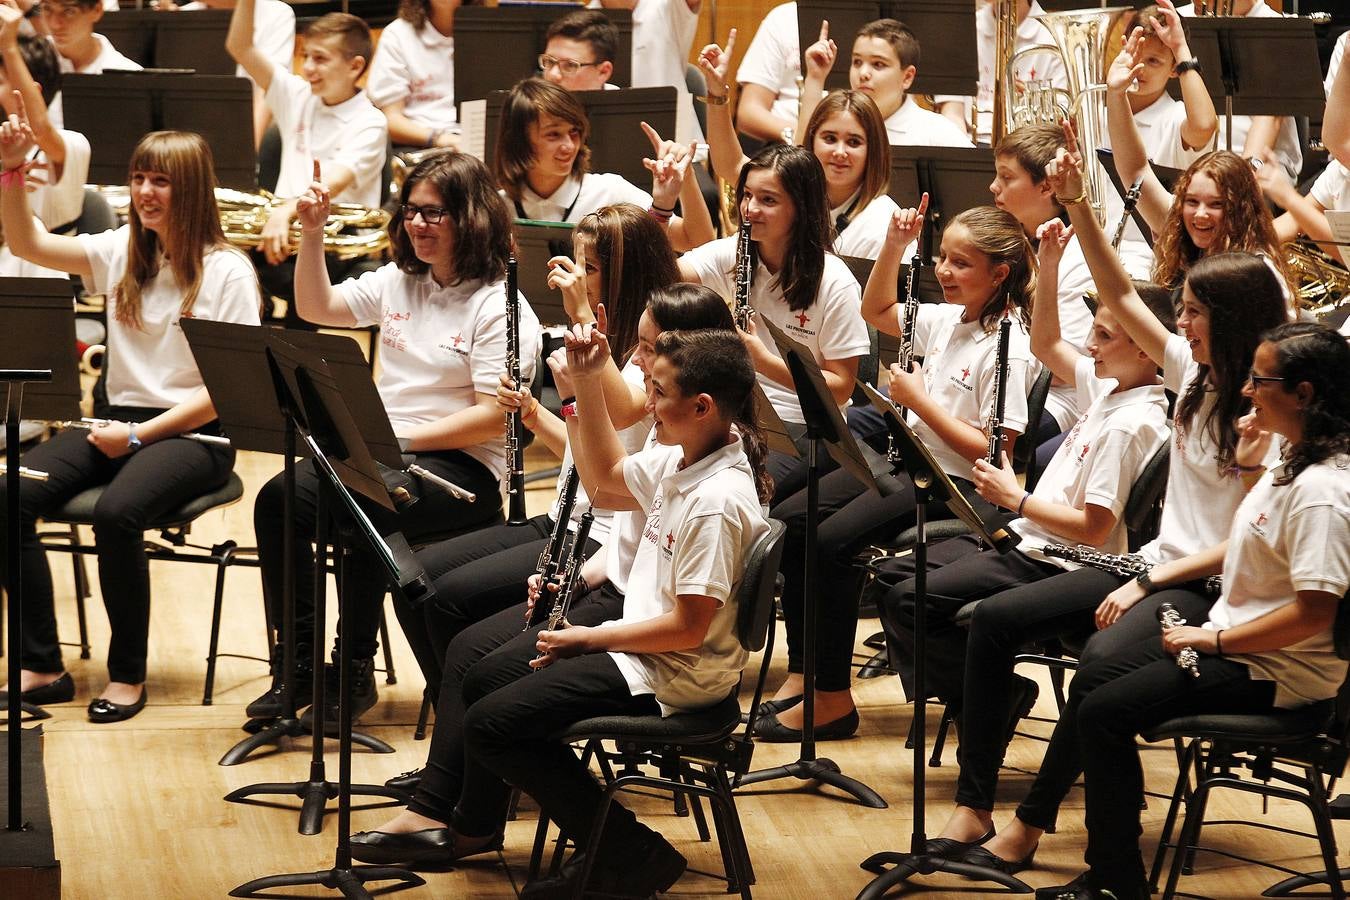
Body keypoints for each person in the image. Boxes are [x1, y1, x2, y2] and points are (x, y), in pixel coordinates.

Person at [930, 124, 1290, 879]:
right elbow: (1121, 292)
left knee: (1097, 670)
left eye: (1190, 312)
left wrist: (1148, 582)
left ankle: (1032, 826)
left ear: (1223, 321)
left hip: (1202, 581)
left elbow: (1246, 544)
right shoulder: (1192, 366)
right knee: (1003, 624)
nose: (1177, 323)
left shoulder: (1264, 418)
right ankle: (983, 805)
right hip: (1156, 565)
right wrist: (1080, 204)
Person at [350, 283, 736, 847]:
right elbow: (615, 503)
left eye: (649, 354)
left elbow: (688, 624)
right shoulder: (678, 450)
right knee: (468, 656)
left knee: (491, 707)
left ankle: (610, 849)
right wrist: (578, 578)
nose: (635, 367)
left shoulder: (712, 484)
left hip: (662, 657)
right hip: (629, 610)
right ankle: (457, 803)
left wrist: (587, 637)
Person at [880, 214, 1172, 864]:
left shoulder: (1137, 422)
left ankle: (975, 805)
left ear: (1151, 352)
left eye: (1104, 337)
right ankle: (975, 801)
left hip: (1084, 562)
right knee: (911, 584)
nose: (1089, 347)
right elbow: (1046, 344)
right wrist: (1045, 266)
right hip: (1036, 543)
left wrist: (1017, 498)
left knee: (991, 622)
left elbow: (1099, 530)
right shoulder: (1113, 384)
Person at [1036, 321, 1350, 900]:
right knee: (1099, 682)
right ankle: (1106, 866)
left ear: (1304, 394)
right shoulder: (1294, 461)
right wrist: (1254, 466)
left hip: (1278, 674)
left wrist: (1214, 641)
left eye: (1261, 380)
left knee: (1103, 712)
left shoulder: (1324, 492)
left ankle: (1117, 881)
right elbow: (1255, 539)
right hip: (1249, 649)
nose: (1248, 391)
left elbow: (1315, 615)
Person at [247, 152, 540, 728]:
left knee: (364, 504)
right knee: (277, 500)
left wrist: (396, 438)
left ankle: (352, 668)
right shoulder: (400, 281)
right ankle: (298, 665)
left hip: (461, 471)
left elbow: (493, 418)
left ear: (471, 217)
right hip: (382, 455)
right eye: (411, 211)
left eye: (435, 213)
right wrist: (312, 233)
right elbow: (315, 307)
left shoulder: (500, 306)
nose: (418, 225)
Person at [0, 120, 261, 723]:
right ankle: (42, 665)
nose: (145, 191)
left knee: (119, 513)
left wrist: (142, 435)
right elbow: (27, 244)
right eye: (139, 178)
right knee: (7, 489)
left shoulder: (229, 273)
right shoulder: (122, 249)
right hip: (116, 422)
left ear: (191, 190)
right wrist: (12, 173)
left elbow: (226, 392)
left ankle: (127, 676)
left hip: (198, 433)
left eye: (161, 181)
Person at [755, 202, 1040, 740]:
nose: (944, 272)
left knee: (833, 542)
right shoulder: (945, 318)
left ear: (999, 275)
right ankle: (806, 673)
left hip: (955, 482)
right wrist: (894, 245)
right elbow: (877, 305)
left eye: (961, 264)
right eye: (943, 258)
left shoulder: (1009, 347)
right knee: (793, 520)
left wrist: (919, 401)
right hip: (908, 459)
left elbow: (991, 447)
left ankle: (833, 699)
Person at [386, 202, 678, 697]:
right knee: (414, 579)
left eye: (591, 268)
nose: (579, 278)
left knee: (446, 597)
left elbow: (627, 411)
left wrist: (581, 316)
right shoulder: (609, 340)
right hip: (565, 516)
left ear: (626, 273)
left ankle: (467, 720)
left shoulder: (652, 350)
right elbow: (584, 455)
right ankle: (457, 718)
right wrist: (535, 413)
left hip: (601, 535)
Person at [678, 142, 871, 501]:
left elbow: (842, 387)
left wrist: (764, 362)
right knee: (669, 470)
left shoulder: (835, 282)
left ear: (801, 208)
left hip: (806, 428)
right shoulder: (736, 252)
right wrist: (663, 203)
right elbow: (667, 276)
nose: (750, 210)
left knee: (735, 492)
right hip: (738, 414)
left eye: (768, 200)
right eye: (747, 195)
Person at [227, 1, 388, 324]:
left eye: (320, 59)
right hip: (278, 237)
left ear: (355, 66)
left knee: (298, 286)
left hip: (334, 249)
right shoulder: (297, 94)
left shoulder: (371, 122)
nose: (307, 68)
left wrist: (285, 211)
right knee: (222, 264)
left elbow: (332, 183)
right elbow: (240, 46)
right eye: (306, 56)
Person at [698, 34, 899, 260]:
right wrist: (717, 94)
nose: (839, 152)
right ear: (813, 142)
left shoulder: (882, 221)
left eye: (854, 142)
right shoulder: (794, 187)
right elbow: (731, 164)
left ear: (873, 150)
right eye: (830, 138)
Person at [492, 77, 712, 252]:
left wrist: (687, 177)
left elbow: (695, 241)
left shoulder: (610, 192)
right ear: (519, 141)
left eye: (574, 132)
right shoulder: (497, 208)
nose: (569, 145)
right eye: (553, 135)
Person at [0, 5, 90, 278]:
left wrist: (10, 47)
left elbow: (38, 128)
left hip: (43, 278)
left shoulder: (72, 143)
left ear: (31, 89)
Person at [795, 18, 972, 148]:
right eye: (857, 62)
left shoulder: (937, 131)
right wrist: (815, 78)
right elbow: (802, 165)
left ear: (907, 77)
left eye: (878, 64)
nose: (863, 73)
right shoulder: (836, 120)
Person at [1175, 0, 1301, 181]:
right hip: (1189, 160)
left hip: (1259, 163)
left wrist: (1243, 174)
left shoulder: (1276, 26)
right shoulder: (1177, 20)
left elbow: (1270, 117)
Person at [934, 0, 1067, 146]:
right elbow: (952, 113)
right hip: (970, 143)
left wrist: (1027, 99)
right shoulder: (961, 31)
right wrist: (966, 153)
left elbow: (1059, 121)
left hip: (1031, 150)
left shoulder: (1054, 35)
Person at [172, 0, 295, 145]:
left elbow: (268, 87)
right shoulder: (182, 14)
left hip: (252, 131)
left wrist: (248, 152)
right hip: (192, 134)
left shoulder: (276, 13)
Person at [366, 0, 481, 152]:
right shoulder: (398, 35)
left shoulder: (488, 29)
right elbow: (391, 120)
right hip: (420, 144)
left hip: (476, 139)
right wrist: (439, 139)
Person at [40, 0, 141, 128]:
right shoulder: (23, 61)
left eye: (69, 11)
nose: (55, 24)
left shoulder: (129, 76)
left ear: (97, 10)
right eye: (47, 9)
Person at [540, 8, 619, 92]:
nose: (553, 75)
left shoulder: (623, 104)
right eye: (549, 62)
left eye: (569, 65)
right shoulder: (529, 104)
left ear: (603, 72)